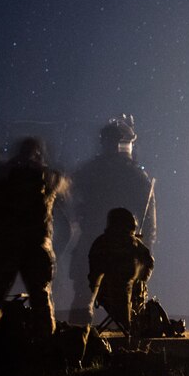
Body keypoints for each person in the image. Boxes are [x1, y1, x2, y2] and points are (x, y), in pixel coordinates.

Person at [0, 136, 69, 342]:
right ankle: (45, 352)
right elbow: (64, 183)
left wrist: (6, 168)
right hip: (37, 245)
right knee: (41, 299)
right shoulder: (47, 175)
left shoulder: (6, 174)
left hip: (6, 244)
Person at [68, 116, 155, 322]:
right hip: (115, 244)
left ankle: (81, 337)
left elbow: (68, 192)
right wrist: (145, 247)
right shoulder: (132, 174)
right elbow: (148, 218)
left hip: (99, 242)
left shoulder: (91, 171)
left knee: (85, 293)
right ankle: (122, 337)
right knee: (100, 293)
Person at [87, 207, 154, 348]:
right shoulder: (134, 244)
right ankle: (132, 333)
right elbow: (149, 263)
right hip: (127, 300)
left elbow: (93, 274)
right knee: (138, 285)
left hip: (105, 298)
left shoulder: (100, 243)